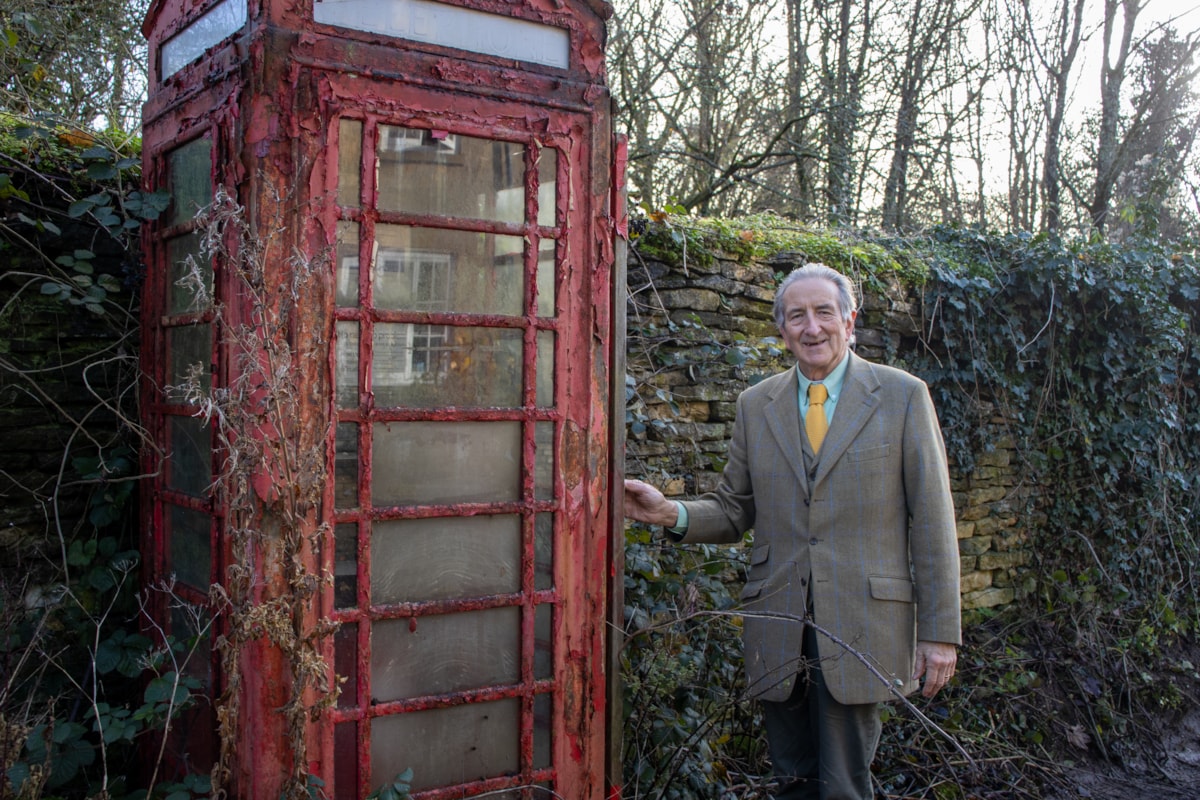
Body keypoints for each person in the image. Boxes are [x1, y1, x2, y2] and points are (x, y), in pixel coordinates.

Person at [624, 263, 961, 800]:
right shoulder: (756, 404)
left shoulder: (902, 396)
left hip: (862, 623)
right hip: (777, 623)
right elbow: (734, 509)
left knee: (844, 786)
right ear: (781, 329)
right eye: (797, 316)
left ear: (849, 321)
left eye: (824, 312)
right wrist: (669, 513)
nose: (812, 327)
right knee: (792, 782)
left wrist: (940, 634)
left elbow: (934, 519)